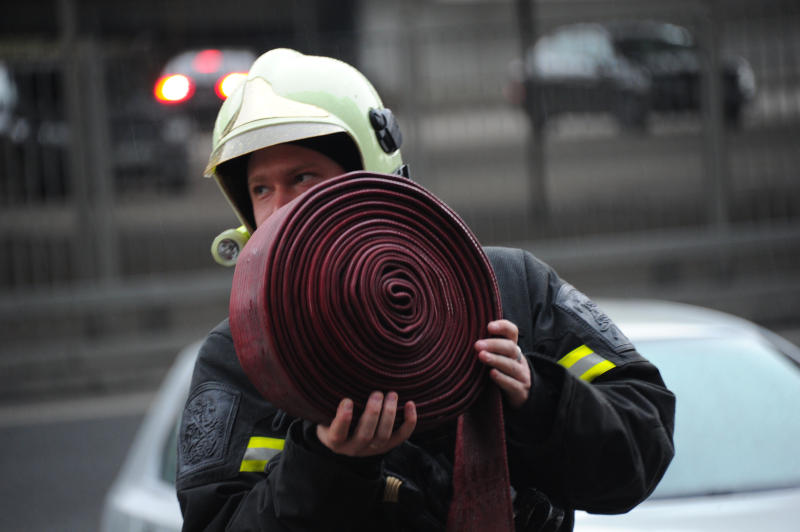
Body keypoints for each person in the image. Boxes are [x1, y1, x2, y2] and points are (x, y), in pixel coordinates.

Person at [176, 48, 675, 532]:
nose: (278, 207)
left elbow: (644, 444)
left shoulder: (509, 289)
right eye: (261, 189)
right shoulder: (241, 354)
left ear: (372, 179)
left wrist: (537, 400)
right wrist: (328, 464)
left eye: (302, 177)